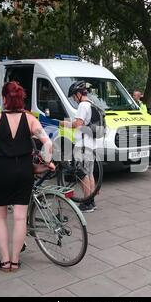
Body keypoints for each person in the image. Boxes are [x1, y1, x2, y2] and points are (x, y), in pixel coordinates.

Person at [0, 81, 55, 272]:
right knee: (19, 217)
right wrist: (47, 160)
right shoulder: (31, 119)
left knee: (0, 217)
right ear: (21, 99)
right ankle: (16, 261)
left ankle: (5, 261)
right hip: (24, 170)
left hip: (2, 170)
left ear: (4, 98)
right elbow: (47, 143)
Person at [60, 80, 97, 213]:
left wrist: (63, 123)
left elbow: (78, 124)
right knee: (89, 174)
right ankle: (91, 201)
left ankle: (87, 203)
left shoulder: (83, 105)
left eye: (74, 96)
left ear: (78, 94)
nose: (74, 100)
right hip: (91, 145)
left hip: (82, 146)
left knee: (82, 175)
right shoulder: (91, 104)